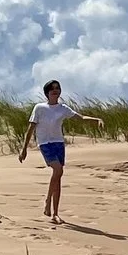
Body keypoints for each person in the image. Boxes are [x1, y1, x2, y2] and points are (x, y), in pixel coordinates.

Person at [17, 80, 99, 223]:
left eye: (57, 88)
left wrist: (96, 119)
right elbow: (30, 128)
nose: (55, 90)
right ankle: (48, 200)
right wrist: (24, 149)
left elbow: (81, 118)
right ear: (47, 92)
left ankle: (55, 213)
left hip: (58, 144)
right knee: (58, 170)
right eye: (52, 89)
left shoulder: (63, 108)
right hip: (45, 144)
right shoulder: (39, 108)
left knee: (58, 176)